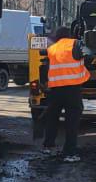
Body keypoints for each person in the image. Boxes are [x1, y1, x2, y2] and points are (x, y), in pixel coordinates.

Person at [38, 28, 89, 163]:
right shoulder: (76, 44)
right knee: (72, 121)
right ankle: (70, 153)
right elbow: (88, 53)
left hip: (55, 90)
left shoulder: (52, 48)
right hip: (72, 90)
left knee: (52, 118)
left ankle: (48, 146)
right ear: (69, 35)